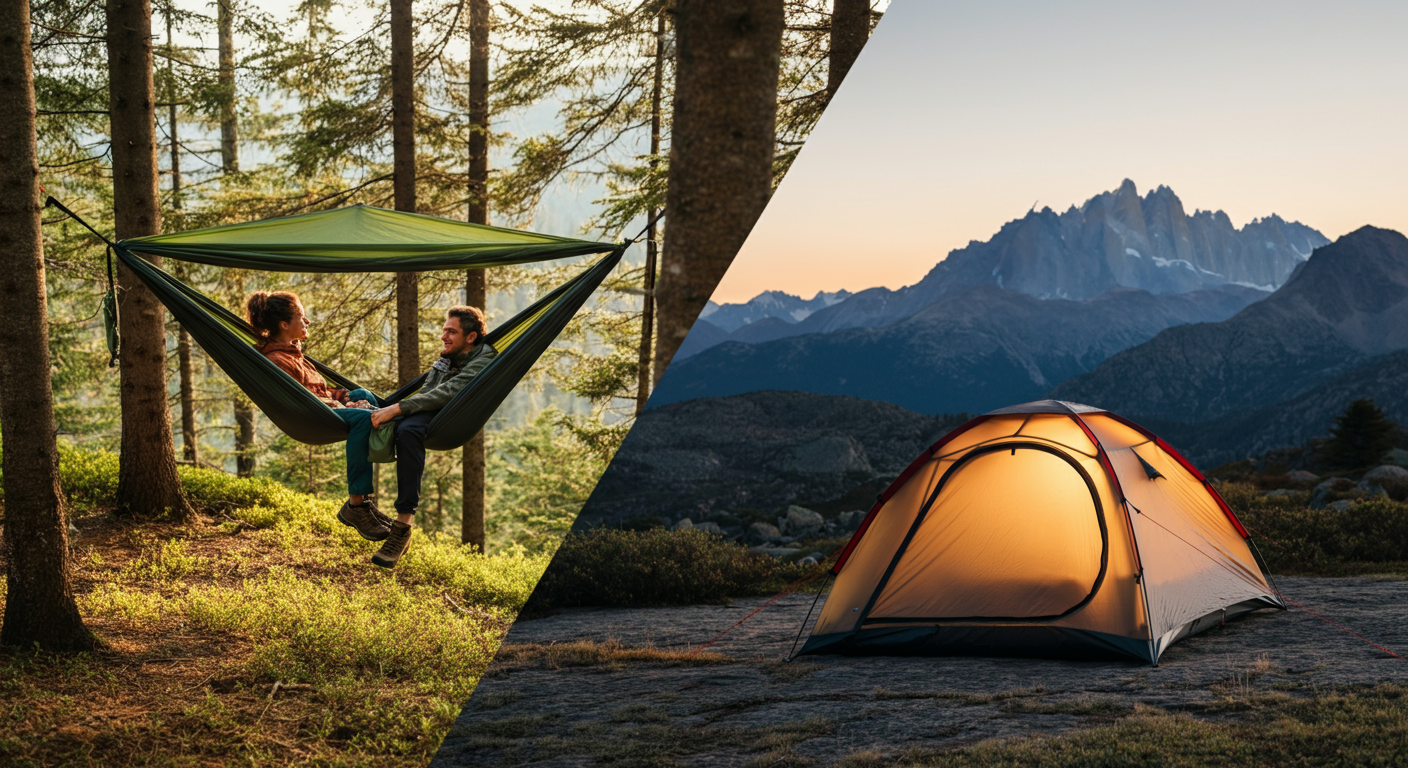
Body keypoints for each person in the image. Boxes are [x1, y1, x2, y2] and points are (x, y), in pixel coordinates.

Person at [245, 291, 392, 542]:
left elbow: (322, 390)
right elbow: (305, 399)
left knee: (363, 393)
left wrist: (347, 398)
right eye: (301, 317)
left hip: (329, 408)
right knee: (364, 418)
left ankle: (398, 419)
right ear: (284, 324)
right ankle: (356, 505)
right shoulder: (278, 360)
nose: (307, 322)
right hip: (313, 418)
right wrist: (346, 407)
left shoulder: (294, 354)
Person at [368, 305, 497, 568]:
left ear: (471, 337)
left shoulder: (484, 358)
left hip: (455, 416)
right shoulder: (447, 356)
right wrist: (388, 410)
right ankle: (358, 506)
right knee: (369, 419)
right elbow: (427, 393)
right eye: (443, 330)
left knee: (407, 429)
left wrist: (397, 408)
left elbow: (449, 392)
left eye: (451, 332)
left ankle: (402, 528)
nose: (443, 337)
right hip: (429, 413)